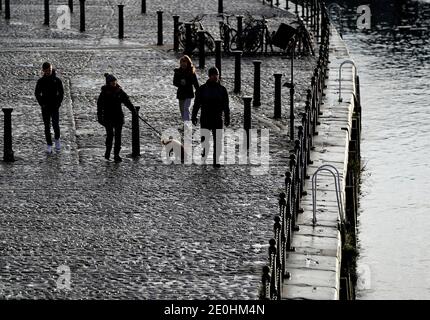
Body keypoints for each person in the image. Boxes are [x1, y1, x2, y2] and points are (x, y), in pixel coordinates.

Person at [191, 67, 230, 168]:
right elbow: (197, 104)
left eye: (217, 75)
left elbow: (226, 105)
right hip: (206, 118)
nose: (215, 77)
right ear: (209, 76)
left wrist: (227, 117)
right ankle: (204, 152)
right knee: (205, 140)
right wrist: (194, 116)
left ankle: (215, 160)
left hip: (217, 118)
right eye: (213, 75)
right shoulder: (202, 89)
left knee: (218, 141)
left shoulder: (222, 90)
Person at [97, 73, 137, 163]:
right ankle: (107, 152)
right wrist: (100, 117)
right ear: (108, 83)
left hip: (118, 117)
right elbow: (99, 106)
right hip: (108, 117)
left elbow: (127, 101)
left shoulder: (119, 92)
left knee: (118, 137)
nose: (114, 83)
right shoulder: (104, 93)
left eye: (115, 81)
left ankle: (116, 155)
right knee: (110, 136)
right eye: (112, 82)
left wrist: (133, 110)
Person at [34, 62, 64, 154]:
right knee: (47, 126)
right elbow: (37, 93)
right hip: (45, 107)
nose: (48, 72)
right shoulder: (41, 81)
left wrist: (58, 103)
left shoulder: (57, 80)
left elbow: (61, 93)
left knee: (56, 125)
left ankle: (57, 139)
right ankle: (49, 144)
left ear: (51, 69)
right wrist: (42, 103)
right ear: (43, 70)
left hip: (54, 106)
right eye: (46, 71)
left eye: (49, 70)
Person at [173, 55, 199, 125]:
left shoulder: (191, 72)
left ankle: (187, 123)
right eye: (182, 62)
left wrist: (198, 91)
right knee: (182, 110)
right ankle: (185, 122)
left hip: (188, 93)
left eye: (185, 62)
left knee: (186, 108)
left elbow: (195, 83)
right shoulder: (177, 72)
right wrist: (180, 83)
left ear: (188, 63)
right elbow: (174, 82)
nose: (183, 64)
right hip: (181, 93)